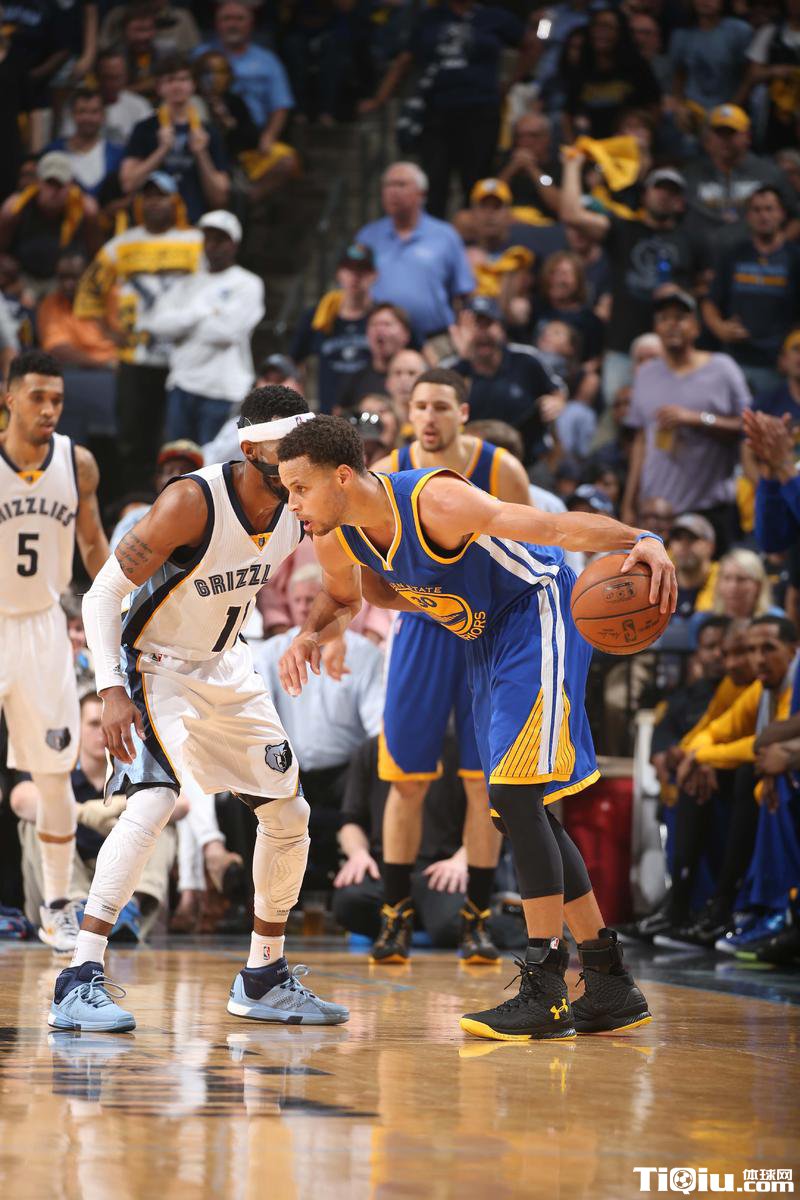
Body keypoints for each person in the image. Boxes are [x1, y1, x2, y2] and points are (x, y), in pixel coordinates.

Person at [276, 413, 677, 1040]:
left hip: (538, 608)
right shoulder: (336, 536)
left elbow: (551, 527)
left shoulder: (435, 500)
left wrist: (640, 537)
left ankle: (545, 988)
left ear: (343, 477)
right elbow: (347, 597)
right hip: (486, 637)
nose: (292, 503)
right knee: (519, 809)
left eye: (300, 488)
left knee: (516, 797)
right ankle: (608, 982)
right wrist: (310, 634)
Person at [48, 385, 349, 1032]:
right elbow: (102, 596)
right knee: (154, 802)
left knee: (290, 813)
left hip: (226, 665)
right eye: (285, 444)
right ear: (251, 449)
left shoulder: (300, 504)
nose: (298, 454)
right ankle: (77, 976)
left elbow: (344, 583)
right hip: (153, 664)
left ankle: (264, 975)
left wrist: (319, 631)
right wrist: (110, 689)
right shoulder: (192, 502)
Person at [365, 368, 534, 964]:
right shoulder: (387, 472)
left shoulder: (501, 469)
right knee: (407, 780)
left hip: (488, 634)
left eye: (441, 406)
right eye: (420, 407)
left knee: (483, 783)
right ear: (408, 413)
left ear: (463, 412)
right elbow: (369, 571)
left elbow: (532, 553)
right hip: (423, 630)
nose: (429, 418)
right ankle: (394, 916)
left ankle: (476, 920)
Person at [0, 350, 109, 952]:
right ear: (9, 398)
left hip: (44, 627)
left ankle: (58, 907)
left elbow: (92, 545)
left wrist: (119, 602)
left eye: (57, 400)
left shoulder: (77, 462)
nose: (49, 409)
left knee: (52, 775)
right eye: (37, 397)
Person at [255, 563, 384, 891]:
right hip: (289, 770)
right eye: (297, 600)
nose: (302, 608)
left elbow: (377, 726)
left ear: (327, 605)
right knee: (247, 778)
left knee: (381, 759)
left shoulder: (364, 653)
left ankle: (371, 879)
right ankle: (259, 892)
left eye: (311, 600)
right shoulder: (270, 653)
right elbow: (258, 719)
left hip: (346, 772)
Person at [11, 691, 183, 937]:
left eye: (108, 722)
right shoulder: (59, 769)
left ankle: (130, 911)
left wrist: (121, 806)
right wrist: (83, 813)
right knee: (33, 824)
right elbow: (20, 799)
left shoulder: (134, 767)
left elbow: (183, 804)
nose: (102, 731)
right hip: (69, 882)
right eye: (93, 724)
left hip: (121, 884)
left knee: (163, 823)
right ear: (76, 728)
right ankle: (77, 911)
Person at [74, 171, 203, 493]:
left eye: (161, 196)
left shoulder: (195, 242)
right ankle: (135, 500)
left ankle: (184, 497)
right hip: (135, 356)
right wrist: (108, 332)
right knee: (133, 435)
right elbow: (88, 290)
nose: (154, 202)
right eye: (148, 196)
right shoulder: (122, 245)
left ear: (175, 201)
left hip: (183, 357)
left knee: (177, 436)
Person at [360, 0, 531, 218]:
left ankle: (474, 234)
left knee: (476, 180)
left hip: (480, 111)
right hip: (436, 112)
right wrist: (379, 99)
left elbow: (535, 41)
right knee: (435, 180)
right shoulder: (430, 18)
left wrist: (513, 81)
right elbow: (404, 60)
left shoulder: (495, 17)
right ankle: (433, 233)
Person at [560, 153, 704, 399]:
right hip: (622, 346)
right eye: (659, 189)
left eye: (672, 192)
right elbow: (572, 215)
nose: (664, 196)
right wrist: (572, 166)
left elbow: (706, 291)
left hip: (672, 349)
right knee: (618, 409)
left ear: (680, 202)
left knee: (666, 415)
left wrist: (683, 293)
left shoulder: (693, 241)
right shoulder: (624, 229)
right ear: (645, 194)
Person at [621, 290, 750, 553]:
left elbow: (747, 425)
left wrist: (697, 419)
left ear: (696, 327)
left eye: (680, 318)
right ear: (656, 328)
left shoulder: (722, 368)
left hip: (708, 508)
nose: (672, 325)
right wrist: (628, 503)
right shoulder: (646, 374)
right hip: (656, 511)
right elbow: (641, 441)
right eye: (664, 319)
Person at [139, 209, 264, 445]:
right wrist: (202, 313)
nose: (213, 245)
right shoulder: (187, 283)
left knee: (215, 462)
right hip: (182, 384)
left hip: (223, 389)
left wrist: (183, 325)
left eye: (221, 239)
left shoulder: (248, 283)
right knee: (178, 458)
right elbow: (158, 325)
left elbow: (228, 332)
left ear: (234, 244)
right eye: (209, 238)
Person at [354, 162, 475, 344]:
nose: (392, 191)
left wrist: (463, 334)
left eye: (400, 184)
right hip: (382, 340)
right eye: (387, 185)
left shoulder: (446, 236)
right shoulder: (368, 237)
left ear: (421, 193)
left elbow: (463, 293)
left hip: (435, 339)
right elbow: (351, 285)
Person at [442, 295, 564, 463]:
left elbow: (557, 392)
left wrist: (555, 402)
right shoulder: (451, 371)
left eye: (488, 324)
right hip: (473, 463)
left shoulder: (526, 359)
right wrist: (465, 360)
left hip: (530, 459)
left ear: (502, 328)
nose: (482, 333)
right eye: (475, 325)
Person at [702, 187, 800, 396]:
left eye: (769, 209)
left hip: (777, 364)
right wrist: (719, 327)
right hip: (735, 359)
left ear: (782, 214)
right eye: (756, 210)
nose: (763, 215)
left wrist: (792, 354)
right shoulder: (733, 254)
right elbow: (710, 302)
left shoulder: (795, 257)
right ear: (748, 216)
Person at [121, 54, 230, 223]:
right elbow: (128, 184)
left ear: (193, 85)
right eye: (170, 80)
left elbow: (220, 197)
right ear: (159, 87)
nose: (177, 86)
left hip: (193, 222)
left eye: (183, 79)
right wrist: (161, 150)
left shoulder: (208, 132)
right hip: (150, 225)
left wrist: (201, 154)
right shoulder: (144, 129)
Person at [682, 105, 795, 246]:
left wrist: (777, 247)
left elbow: (796, 216)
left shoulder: (771, 173)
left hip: (754, 257)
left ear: (747, 137)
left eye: (731, 133)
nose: (725, 140)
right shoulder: (691, 174)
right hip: (699, 256)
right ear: (708, 139)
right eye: (719, 133)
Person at [196, 0, 295, 153]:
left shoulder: (268, 60)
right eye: (226, 19)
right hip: (206, 134)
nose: (233, 24)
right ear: (216, 23)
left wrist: (269, 136)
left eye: (239, 19)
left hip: (256, 134)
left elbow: (281, 104)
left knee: (287, 160)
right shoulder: (200, 55)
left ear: (251, 24)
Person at [290, 244, 377, 414]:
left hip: (371, 413)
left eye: (362, 269)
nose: (355, 276)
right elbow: (294, 360)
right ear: (338, 273)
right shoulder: (320, 315)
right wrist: (298, 394)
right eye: (349, 269)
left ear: (374, 275)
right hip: (329, 412)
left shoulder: (382, 317)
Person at [0, 153, 102, 297]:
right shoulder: (15, 208)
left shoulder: (86, 210)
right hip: (24, 279)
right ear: (37, 183)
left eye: (60, 185)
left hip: (65, 284)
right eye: (49, 183)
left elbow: (97, 258)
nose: (54, 191)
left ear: (71, 186)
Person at [564, 6, 660, 141]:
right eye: (597, 26)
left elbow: (654, 107)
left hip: (628, 144)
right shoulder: (581, 69)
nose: (601, 32)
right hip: (591, 145)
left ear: (621, 32)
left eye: (608, 27)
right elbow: (567, 114)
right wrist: (574, 146)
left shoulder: (637, 68)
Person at [668, 0, 752, 114]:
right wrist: (679, 107)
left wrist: (731, 108)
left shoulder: (739, 31)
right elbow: (678, 77)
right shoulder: (681, 34)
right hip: (691, 109)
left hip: (729, 110)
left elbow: (747, 77)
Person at [36, 251, 117, 369]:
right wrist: (103, 365)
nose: (67, 284)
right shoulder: (51, 304)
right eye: (62, 278)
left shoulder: (112, 298)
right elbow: (57, 349)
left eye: (74, 277)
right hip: (78, 371)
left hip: (119, 367)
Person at [60, 49, 154, 146]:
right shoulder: (78, 104)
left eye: (117, 77)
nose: (112, 83)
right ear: (96, 76)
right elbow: (67, 141)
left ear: (126, 76)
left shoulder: (140, 105)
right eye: (107, 77)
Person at [47, 89, 125, 201]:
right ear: (72, 114)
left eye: (94, 112)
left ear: (103, 115)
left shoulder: (118, 155)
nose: (88, 118)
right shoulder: (54, 152)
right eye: (82, 111)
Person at [336, 303, 413, 411]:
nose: (379, 330)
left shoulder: (421, 375)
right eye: (374, 325)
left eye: (387, 324)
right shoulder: (354, 381)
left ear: (406, 334)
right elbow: (338, 415)